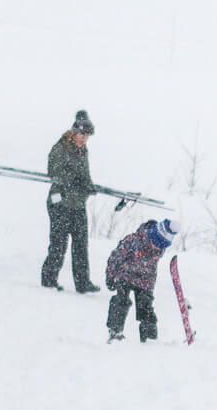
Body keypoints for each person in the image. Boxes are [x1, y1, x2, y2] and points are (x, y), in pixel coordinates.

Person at [41, 111, 100, 293]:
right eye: (82, 134)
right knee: (59, 244)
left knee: (81, 244)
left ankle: (83, 283)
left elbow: (85, 176)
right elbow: (54, 172)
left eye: (87, 136)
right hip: (60, 202)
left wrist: (88, 186)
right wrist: (73, 180)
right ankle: (49, 280)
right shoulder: (60, 148)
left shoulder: (83, 151)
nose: (84, 139)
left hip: (78, 204)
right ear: (74, 131)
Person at [102, 218, 178, 344]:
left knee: (146, 307)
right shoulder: (133, 241)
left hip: (145, 280)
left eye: (161, 245)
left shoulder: (160, 248)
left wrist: (149, 289)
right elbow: (115, 258)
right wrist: (110, 277)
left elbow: (152, 270)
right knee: (121, 301)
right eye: (156, 243)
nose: (157, 247)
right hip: (124, 275)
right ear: (152, 235)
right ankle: (115, 332)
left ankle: (149, 338)